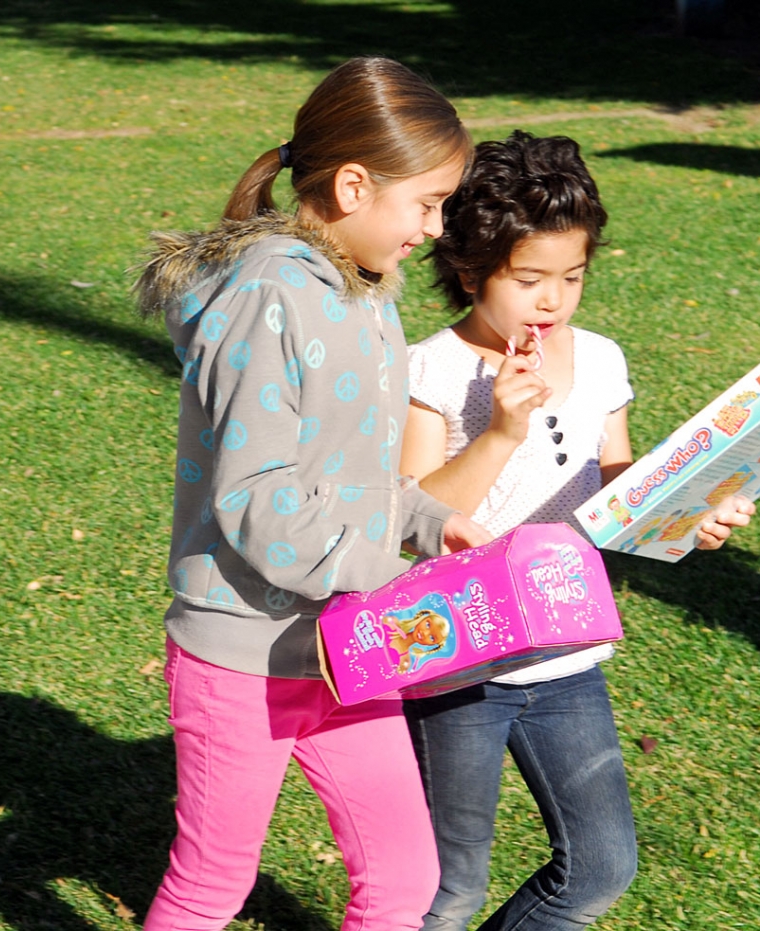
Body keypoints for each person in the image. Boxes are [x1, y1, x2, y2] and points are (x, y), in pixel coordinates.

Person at [133, 57, 491, 931]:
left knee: (406, 880)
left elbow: (355, 476)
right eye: (427, 203)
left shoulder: (367, 296)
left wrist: (430, 525)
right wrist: (379, 567)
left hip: (346, 648)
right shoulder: (267, 296)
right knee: (213, 886)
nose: (437, 229)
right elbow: (254, 498)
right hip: (241, 656)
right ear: (355, 184)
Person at [398, 130, 756, 930]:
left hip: (568, 651)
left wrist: (690, 507)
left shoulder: (599, 360)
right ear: (468, 272)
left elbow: (615, 481)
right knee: (448, 887)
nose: (553, 302)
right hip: (457, 658)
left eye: (573, 277)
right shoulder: (431, 370)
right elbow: (412, 516)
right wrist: (498, 430)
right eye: (528, 280)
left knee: (600, 865)